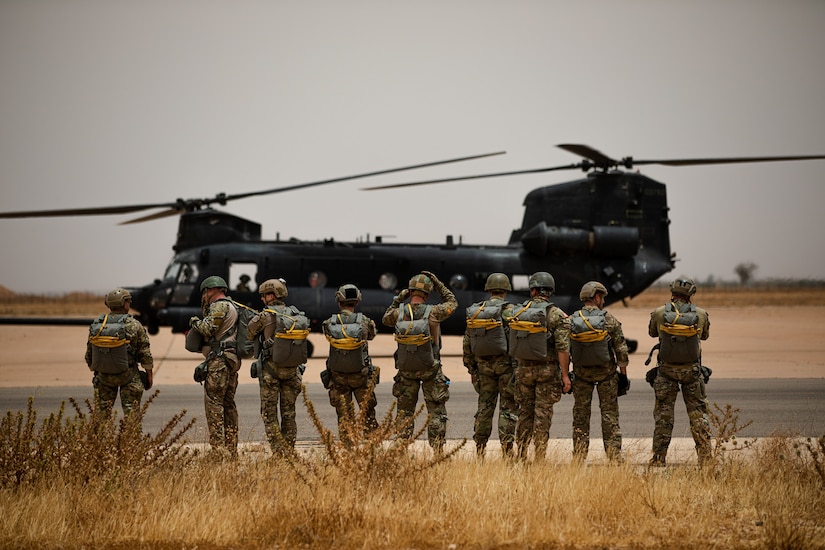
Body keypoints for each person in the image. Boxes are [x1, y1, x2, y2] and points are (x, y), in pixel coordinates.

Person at [382, 270, 457, 454]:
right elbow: (453, 303)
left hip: (406, 370)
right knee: (436, 412)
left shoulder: (398, 313)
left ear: (410, 292)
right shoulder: (434, 312)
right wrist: (439, 283)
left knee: (404, 413)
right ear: (428, 293)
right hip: (430, 368)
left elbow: (385, 318)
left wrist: (399, 298)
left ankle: (400, 450)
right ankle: (438, 451)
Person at [648, 276, 712, 467]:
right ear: (691, 293)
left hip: (666, 372)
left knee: (663, 417)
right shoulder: (700, 314)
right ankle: (706, 459)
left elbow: (652, 332)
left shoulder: (660, 313)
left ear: (672, 292)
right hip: (692, 373)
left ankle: (658, 459)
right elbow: (705, 336)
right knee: (698, 416)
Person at [509, 271, 571, 462]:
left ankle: (520, 454)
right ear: (550, 291)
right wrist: (565, 375)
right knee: (542, 415)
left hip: (523, 371)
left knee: (524, 413)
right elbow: (563, 348)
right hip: (547, 371)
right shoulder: (557, 315)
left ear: (533, 290)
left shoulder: (517, 312)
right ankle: (540, 456)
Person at [569, 281, 629, 463]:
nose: (603, 301)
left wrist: (565, 373)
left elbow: (564, 347)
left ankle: (579, 457)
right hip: (607, 377)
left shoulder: (572, 319)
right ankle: (614, 457)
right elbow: (621, 350)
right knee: (609, 416)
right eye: (602, 297)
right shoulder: (609, 319)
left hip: (581, 376)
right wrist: (623, 376)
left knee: (580, 416)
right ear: (596, 297)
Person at [247, 278, 307, 456]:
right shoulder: (295, 314)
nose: (262, 299)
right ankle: (288, 451)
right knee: (289, 413)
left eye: (264, 295)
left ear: (271, 295)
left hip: (270, 373)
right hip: (292, 371)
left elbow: (250, 332)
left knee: (269, 414)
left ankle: (278, 452)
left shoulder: (265, 316)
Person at [462, 273, 518, 459]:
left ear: (489, 289)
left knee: (484, 408)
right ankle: (507, 452)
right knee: (508, 409)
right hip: (506, 368)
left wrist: (471, 369)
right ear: (506, 290)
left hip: (483, 368)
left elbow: (467, 342)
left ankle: (480, 451)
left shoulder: (477, 311)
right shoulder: (511, 311)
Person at [189, 275, 241, 457]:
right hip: (230, 360)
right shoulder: (233, 305)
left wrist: (194, 322)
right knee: (228, 405)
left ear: (211, 290)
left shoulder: (219, 306)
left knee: (214, 405)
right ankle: (231, 449)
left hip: (219, 362)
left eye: (205, 293)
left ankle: (219, 451)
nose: (204, 296)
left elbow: (208, 329)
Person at [85, 288, 154, 421]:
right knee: (132, 417)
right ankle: (132, 441)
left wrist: (100, 371)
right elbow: (145, 353)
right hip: (128, 376)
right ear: (124, 304)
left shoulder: (97, 325)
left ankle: (97, 441)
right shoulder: (134, 325)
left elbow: (89, 355)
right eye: (128, 301)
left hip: (103, 377)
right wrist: (149, 375)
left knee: (101, 416)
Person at [322, 284, 379, 439]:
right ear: (357, 302)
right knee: (368, 413)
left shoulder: (329, 323)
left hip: (338, 377)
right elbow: (372, 336)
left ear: (339, 302)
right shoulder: (365, 322)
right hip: (361, 375)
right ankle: (372, 447)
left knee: (344, 417)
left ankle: (349, 449)